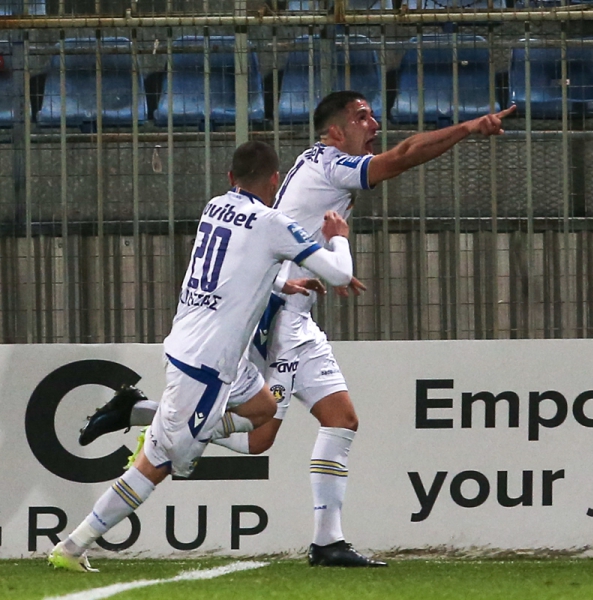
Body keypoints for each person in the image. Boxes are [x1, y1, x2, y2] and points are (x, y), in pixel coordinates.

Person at [78, 92, 515, 568]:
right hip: (280, 320)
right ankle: (150, 419)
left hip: (295, 309)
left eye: (371, 115)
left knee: (341, 418)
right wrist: (469, 128)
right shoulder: (332, 164)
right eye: (360, 117)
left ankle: (328, 541)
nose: (373, 124)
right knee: (257, 437)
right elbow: (404, 156)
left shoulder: (316, 166)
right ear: (334, 131)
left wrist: (303, 273)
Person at [49, 140, 355, 573]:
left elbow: (230, 273)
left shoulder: (215, 207)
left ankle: (145, 415)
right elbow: (340, 273)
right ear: (275, 180)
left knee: (263, 409)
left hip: (195, 345)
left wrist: (282, 286)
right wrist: (337, 238)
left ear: (231, 179)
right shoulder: (273, 222)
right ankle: (74, 546)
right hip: (207, 366)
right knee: (159, 463)